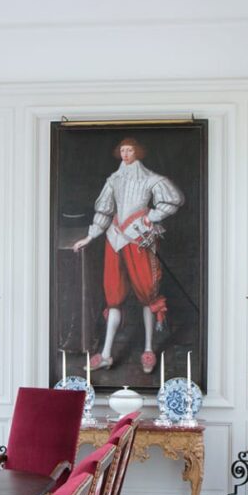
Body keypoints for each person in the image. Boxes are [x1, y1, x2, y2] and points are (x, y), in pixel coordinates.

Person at [73, 137, 184, 374]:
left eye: (129, 150)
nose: (125, 154)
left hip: (139, 239)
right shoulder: (114, 180)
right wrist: (90, 236)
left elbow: (173, 200)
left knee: (147, 293)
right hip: (114, 239)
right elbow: (104, 211)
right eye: (122, 150)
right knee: (113, 294)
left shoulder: (150, 179)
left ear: (137, 152)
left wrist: (149, 218)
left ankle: (148, 350)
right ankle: (105, 354)